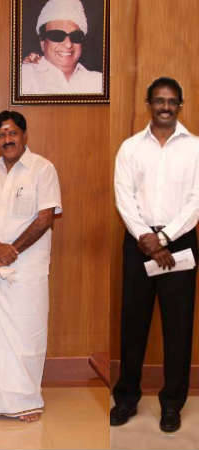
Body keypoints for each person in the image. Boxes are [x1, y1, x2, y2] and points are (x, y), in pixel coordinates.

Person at [0, 111, 61, 422]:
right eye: (1, 134)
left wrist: (10, 251)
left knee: (26, 334)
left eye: (13, 133)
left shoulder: (43, 169)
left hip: (28, 270)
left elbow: (45, 218)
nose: (8, 139)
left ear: (24, 135)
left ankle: (25, 402)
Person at [112, 77, 199, 433]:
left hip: (180, 242)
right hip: (139, 242)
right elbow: (124, 196)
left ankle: (172, 404)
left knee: (178, 328)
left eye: (172, 101)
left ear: (180, 105)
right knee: (134, 323)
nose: (165, 106)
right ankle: (126, 398)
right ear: (149, 104)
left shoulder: (195, 148)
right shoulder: (131, 148)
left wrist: (163, 238)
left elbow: (196, 201)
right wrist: (147, 238)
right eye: (159, 100)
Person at [21, 0, 103, 95]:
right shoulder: (23, 77)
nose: (68, 44)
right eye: (57, 35)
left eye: (75, 36)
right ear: (42, 42)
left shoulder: (99, 82)